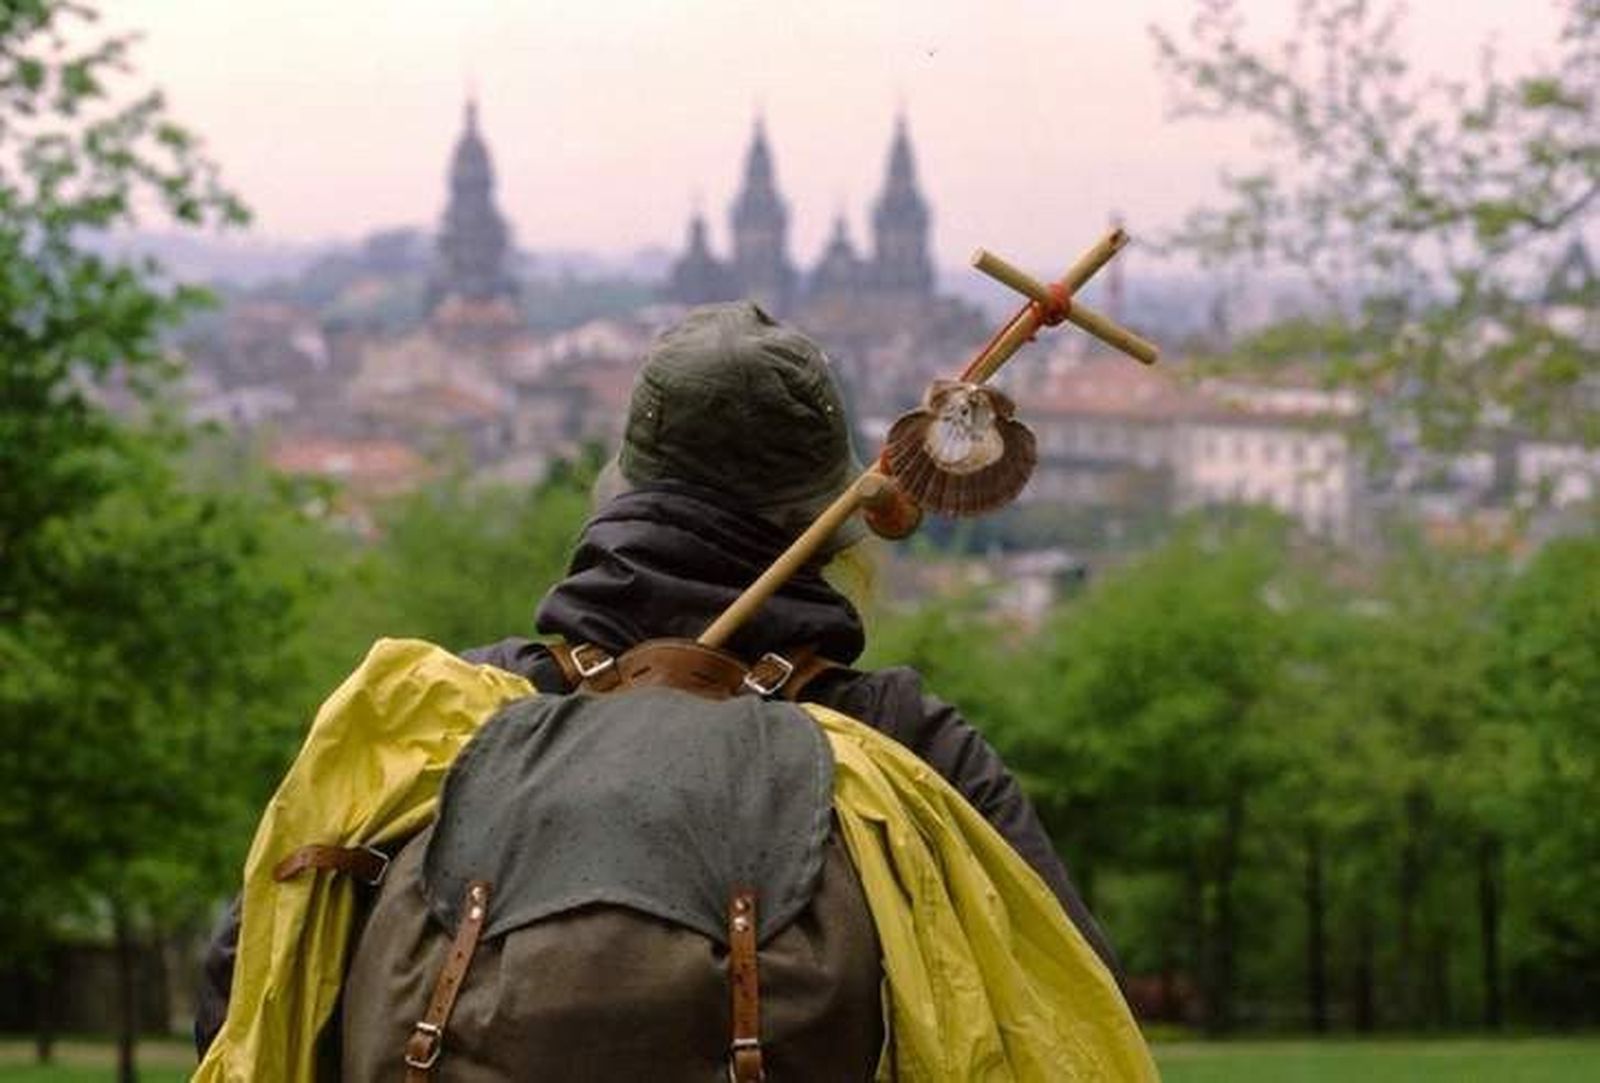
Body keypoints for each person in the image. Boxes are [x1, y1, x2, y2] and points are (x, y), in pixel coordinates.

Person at [194, 300, 1116, 1053]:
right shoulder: (908, 741)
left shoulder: (436, 718)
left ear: (622, 501)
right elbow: (1076, 1015)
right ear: (830, 518)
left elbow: (246, 991)